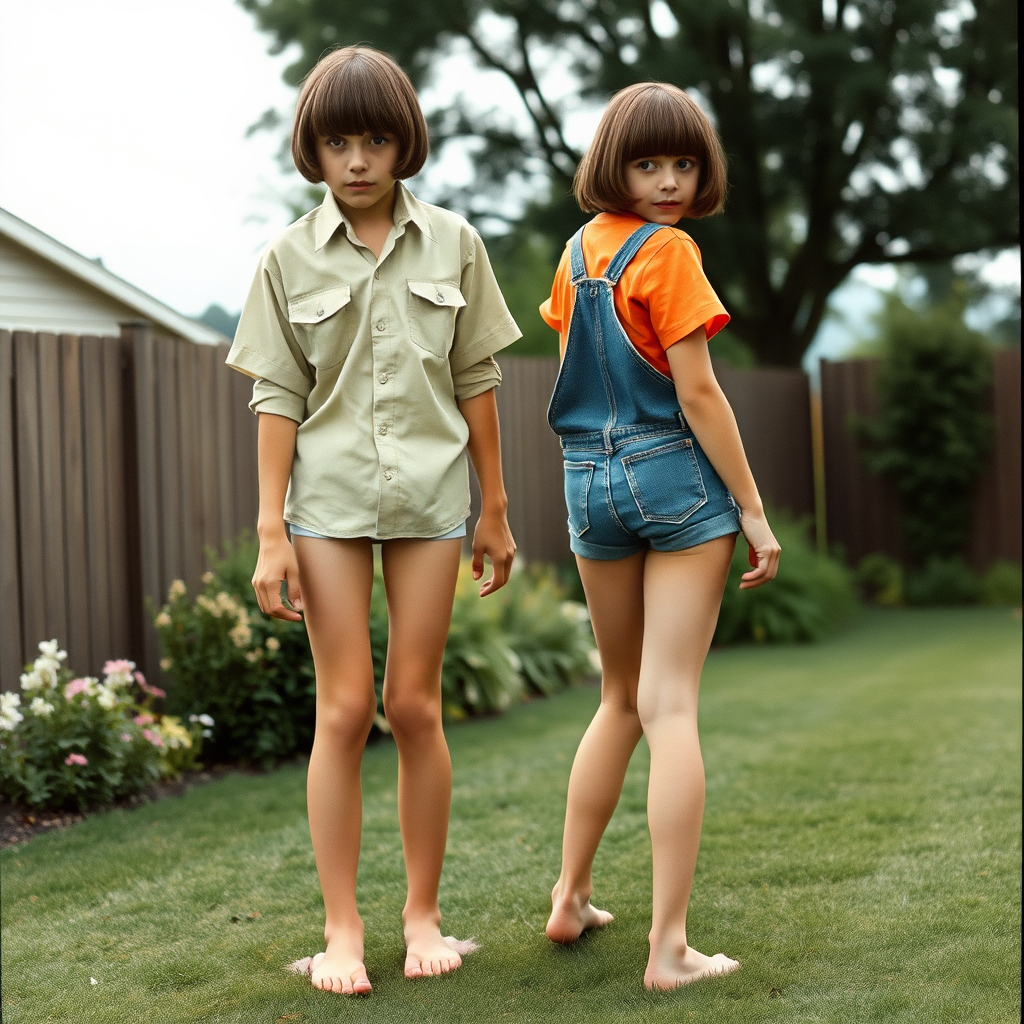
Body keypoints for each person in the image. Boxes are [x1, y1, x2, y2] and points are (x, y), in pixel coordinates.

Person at [226, 45, 520, 996]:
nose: (358, 159)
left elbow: (477, 379)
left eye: (377, 139)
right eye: (338, 140)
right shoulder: (285, 256)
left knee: (414, 706)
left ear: (405, 146)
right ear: (313, 149)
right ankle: (341, 929)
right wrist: (271, 531)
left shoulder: (457, 245)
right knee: (346, 708)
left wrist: (496, 512)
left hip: (434, 505)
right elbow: (278, 395)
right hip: (327, 508)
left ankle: (422, 916)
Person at [539, 82, 781, 990]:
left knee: (618, 698)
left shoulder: (575, 254)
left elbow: (574, 377)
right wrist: (751, 508)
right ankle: (669, 950)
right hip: (674, 479)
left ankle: (569, 897)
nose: (670, 181)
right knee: (669, 704)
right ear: (615, 164)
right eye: (649, 163)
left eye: (683, 163)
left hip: (588, 484)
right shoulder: (670, 254)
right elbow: (700, 393)